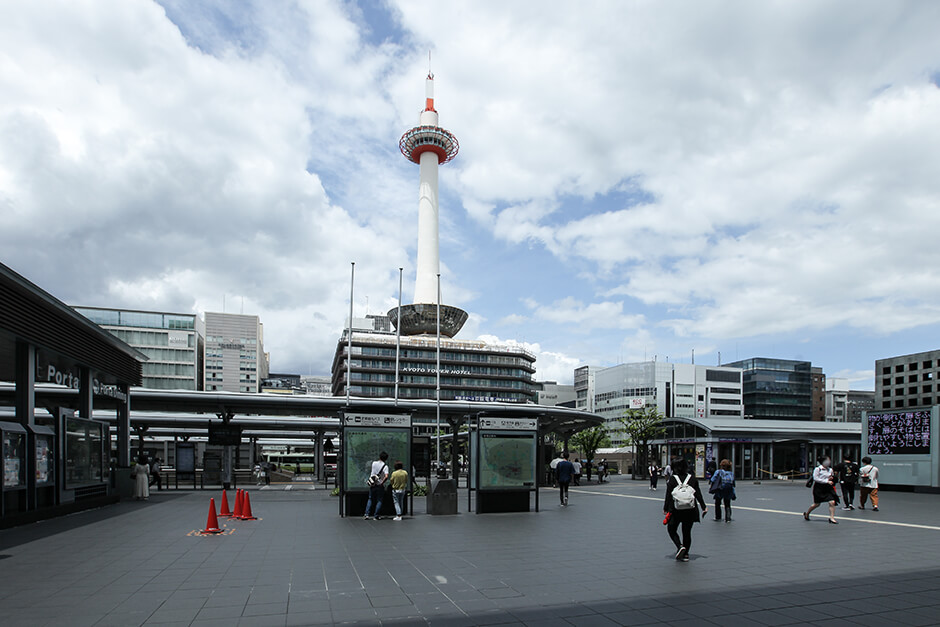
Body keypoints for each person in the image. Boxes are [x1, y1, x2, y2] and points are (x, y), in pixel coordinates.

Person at [662, 458, 708, 561]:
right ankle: (686, 554)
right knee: (687, 532)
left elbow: (668, 495)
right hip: (690, 509)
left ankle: (680, 546)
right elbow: (698, 494)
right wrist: (703, 506)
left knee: (671, 529)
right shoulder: (692, 478)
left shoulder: (673, 479)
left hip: (676, 509)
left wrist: (665, 508)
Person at [804, 455, 839, 524]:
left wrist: (832, 479)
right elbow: (816, 479)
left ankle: (832, 518)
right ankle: (807, 513)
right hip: (819, 488)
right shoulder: (818, 469)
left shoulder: (830, 469)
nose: (829, 462)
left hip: (828, 488)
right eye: (827, 460)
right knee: (817, 504)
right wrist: (826, 481)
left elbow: (831, 476)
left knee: (832, 502)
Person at [364, 451, 389, 520]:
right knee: (379, 500)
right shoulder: (385, 466)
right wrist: (382, 482)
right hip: (379, 485)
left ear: (379, 457)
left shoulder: (374, 463)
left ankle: (366, 514)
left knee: (370, 499)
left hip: (372, 484)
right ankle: (376, 515)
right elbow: (386, 476)